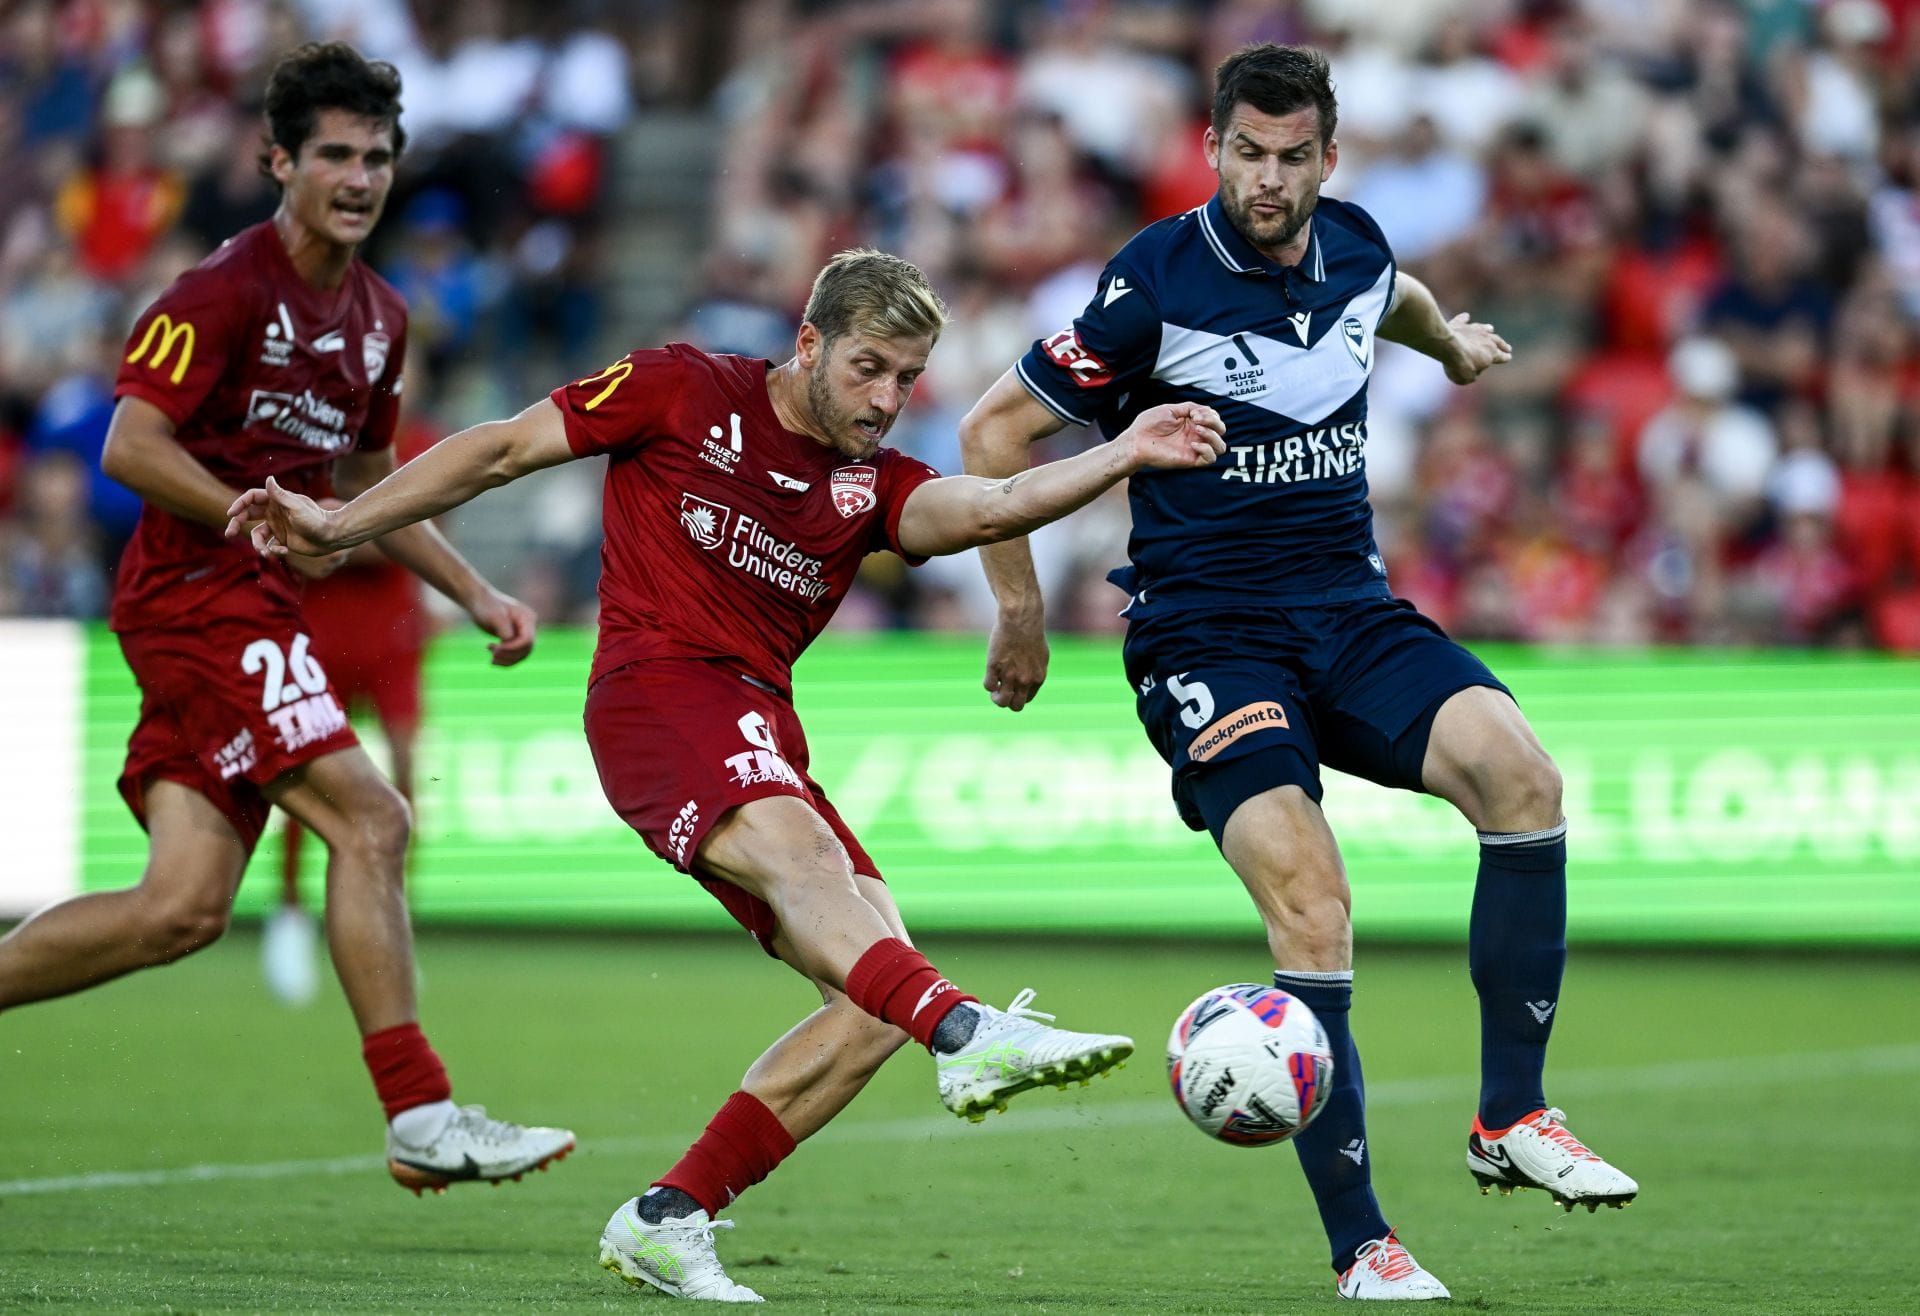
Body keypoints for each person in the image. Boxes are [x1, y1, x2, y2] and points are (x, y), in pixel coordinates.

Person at [227, 248, 1225, 1302]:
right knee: (824, 883)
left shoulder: (872, 484)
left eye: (907, 379)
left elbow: (992, 505)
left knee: (875, 992)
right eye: (869, 369)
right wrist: (340, 521)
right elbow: (504, 449)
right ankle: (970, 1029)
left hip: (760, 723)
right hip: (658, 696)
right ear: (809, 343)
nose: (887, 400)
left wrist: (1122, 454)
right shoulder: (678, 386)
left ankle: (671, 1213)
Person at [960, 44, 1638, 1302]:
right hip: (1209, 632)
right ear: (1213, 148)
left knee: (1522, 778)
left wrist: (1454, 347)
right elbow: (992, 431)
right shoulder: (1150, 284)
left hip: (1349, 608)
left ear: (1329, 157)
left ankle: (1511, 1115)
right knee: (1314, 905)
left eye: (1294, 159)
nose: (1269, 182)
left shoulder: (1361, 244)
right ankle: (1363, 1243)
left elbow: (1401, 296)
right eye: (1248, 155)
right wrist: (1020, 611)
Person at [0, 42, 574, 1196]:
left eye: (378, 156)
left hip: (256, 604)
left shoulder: (379, 318)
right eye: (336, 155)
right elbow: (129, 443)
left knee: (180, 909)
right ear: (278, 160)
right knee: (372, 819)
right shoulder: (221, 290)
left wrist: (472, 589)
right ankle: (420, 1109)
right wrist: (248, 516)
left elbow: (370, 483)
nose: (361, 177)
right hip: (197, 601)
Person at [266, 423, 439, 1009]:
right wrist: (380, 528)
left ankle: (395, 925)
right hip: (323, 625)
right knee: (314, 777)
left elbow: (430, 527)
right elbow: (301, 538)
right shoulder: (311, 442)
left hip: (393, 629)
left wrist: (345, 530)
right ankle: (290, 912)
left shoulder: (422, 440)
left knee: (407, 769)